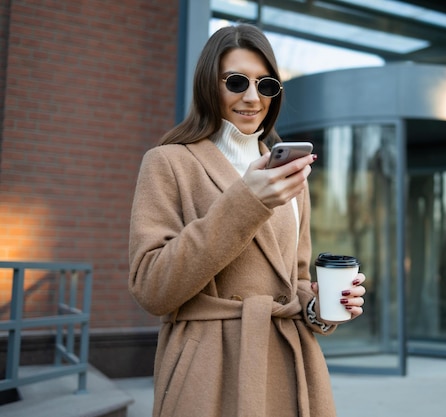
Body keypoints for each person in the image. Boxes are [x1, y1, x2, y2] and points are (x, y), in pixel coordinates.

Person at [128, 23, 366, 417]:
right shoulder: (168, 162)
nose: (253, 98)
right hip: (209, 371)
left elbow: (295, 281)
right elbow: (152, 288)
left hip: (291, 367)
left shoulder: (289, 174)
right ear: (209, 85)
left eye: (266, 85)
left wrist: (321, 307)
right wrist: (245, 202)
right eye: (236, 82)